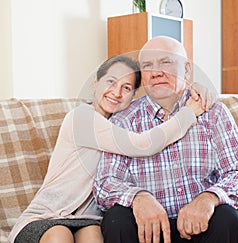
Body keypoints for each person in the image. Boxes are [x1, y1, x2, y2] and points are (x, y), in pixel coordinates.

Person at [8, 55, 209, 243]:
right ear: (96, 83)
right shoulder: (81, 118)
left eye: (127, 87)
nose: (117, 92)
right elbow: (142, 144)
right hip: (47, 215)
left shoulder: (120, 124)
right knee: (59, 235)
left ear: (133, 96)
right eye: (111, 81)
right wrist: (188, 113)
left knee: (94, 236)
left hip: (86, 219)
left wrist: (198, 89)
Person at [93, 36, 238, 243]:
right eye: (148, 65)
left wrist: (209, 199)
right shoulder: (123, 120)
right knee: (116, 220)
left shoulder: (213, 112)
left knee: (228, 218)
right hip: (147, 230)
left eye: (166, 62)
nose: (156, 72)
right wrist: (138, 197)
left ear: (187, 69)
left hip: (201, 226)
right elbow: (105, 182)